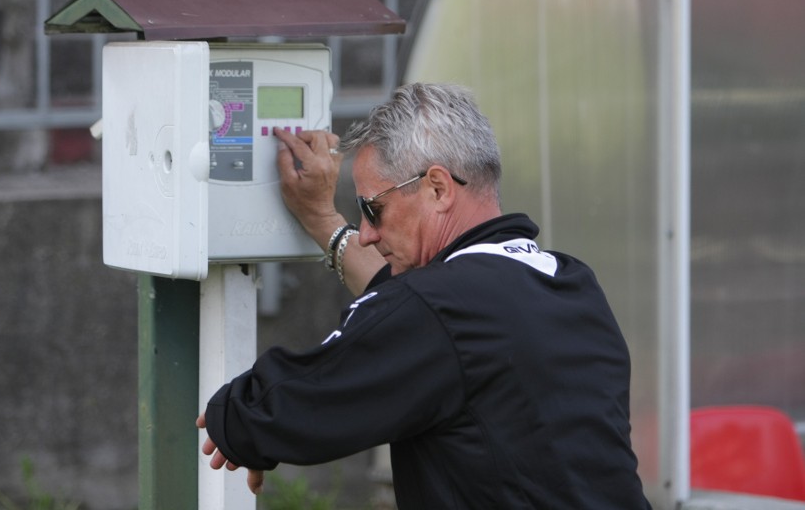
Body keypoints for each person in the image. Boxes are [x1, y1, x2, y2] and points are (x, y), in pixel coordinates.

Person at [197, 82, 651, 508]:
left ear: (437, 187)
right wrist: (321, 218)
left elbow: (294, 402)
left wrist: (235, 420)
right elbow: (408, 308)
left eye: (374, 208)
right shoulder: (567, 282)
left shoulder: (441, 309)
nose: (369, 234)